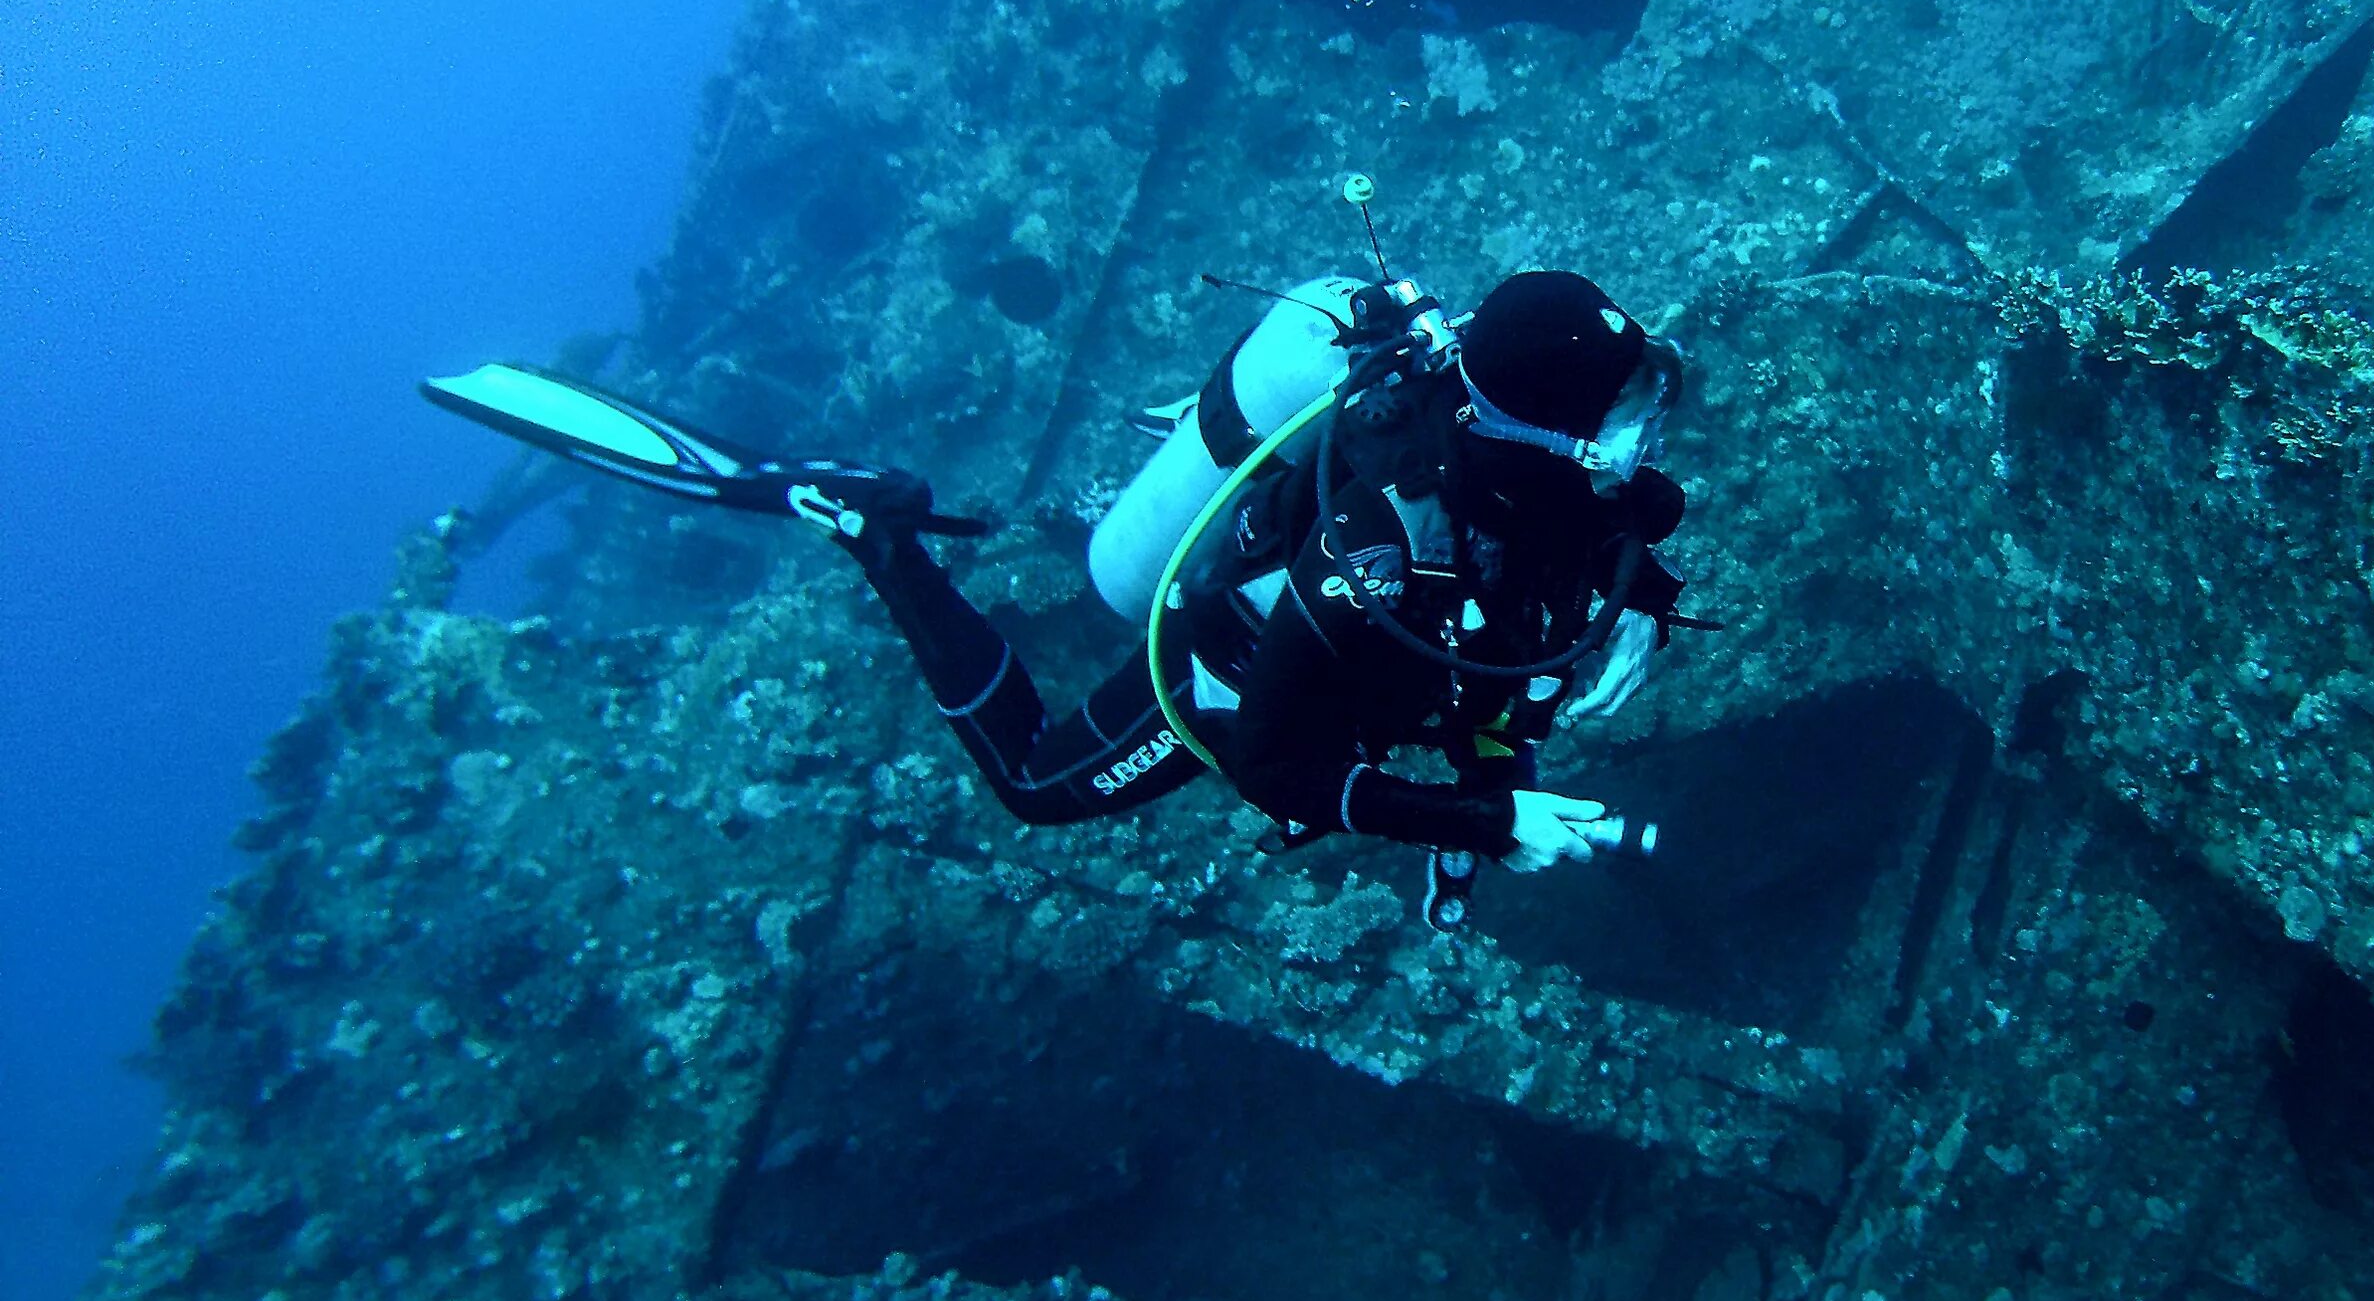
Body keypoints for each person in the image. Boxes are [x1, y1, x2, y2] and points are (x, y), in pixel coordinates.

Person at [424, 264, 1693, 919]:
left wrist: (1638, 588)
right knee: (1035, 786)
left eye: (1642, 407)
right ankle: (873, 533)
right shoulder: (1374, 555)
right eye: (1617, 421)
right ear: (1532, 430)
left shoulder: (1555, 479)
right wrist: (1482, 826)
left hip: (1406, 649)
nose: (1637, 447)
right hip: (1240, 671)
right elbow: (1274, 769)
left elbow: (1605, 536)